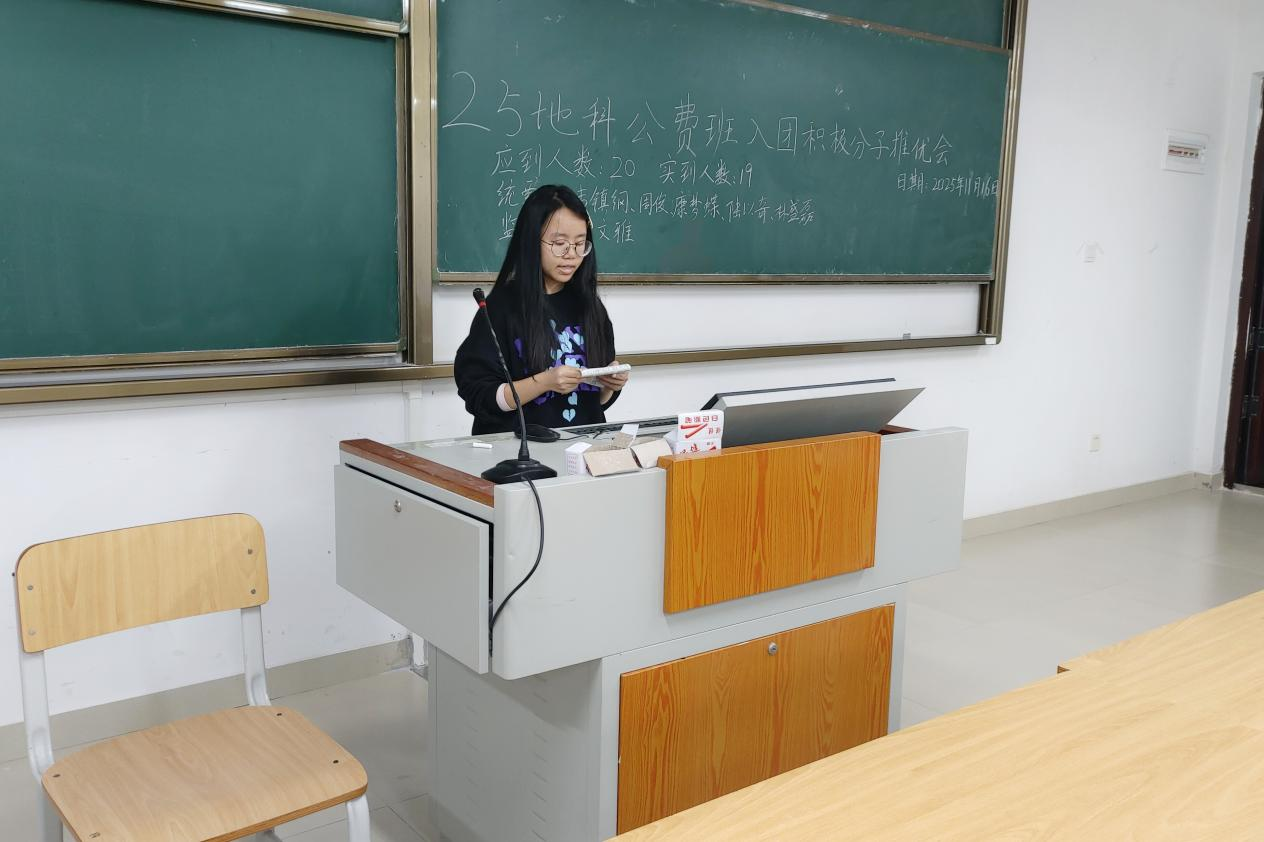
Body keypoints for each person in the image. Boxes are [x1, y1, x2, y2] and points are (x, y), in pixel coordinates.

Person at [454, 185, 629, 434]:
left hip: (580, 447)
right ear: (531, 241)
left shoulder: (590, 307)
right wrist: (544, 382)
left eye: (580, 244)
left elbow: (596, 403)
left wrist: (610, 384)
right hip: (519, 451)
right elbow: (480, 395)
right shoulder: (501, 307)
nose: (571, 254)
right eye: (559, 243)